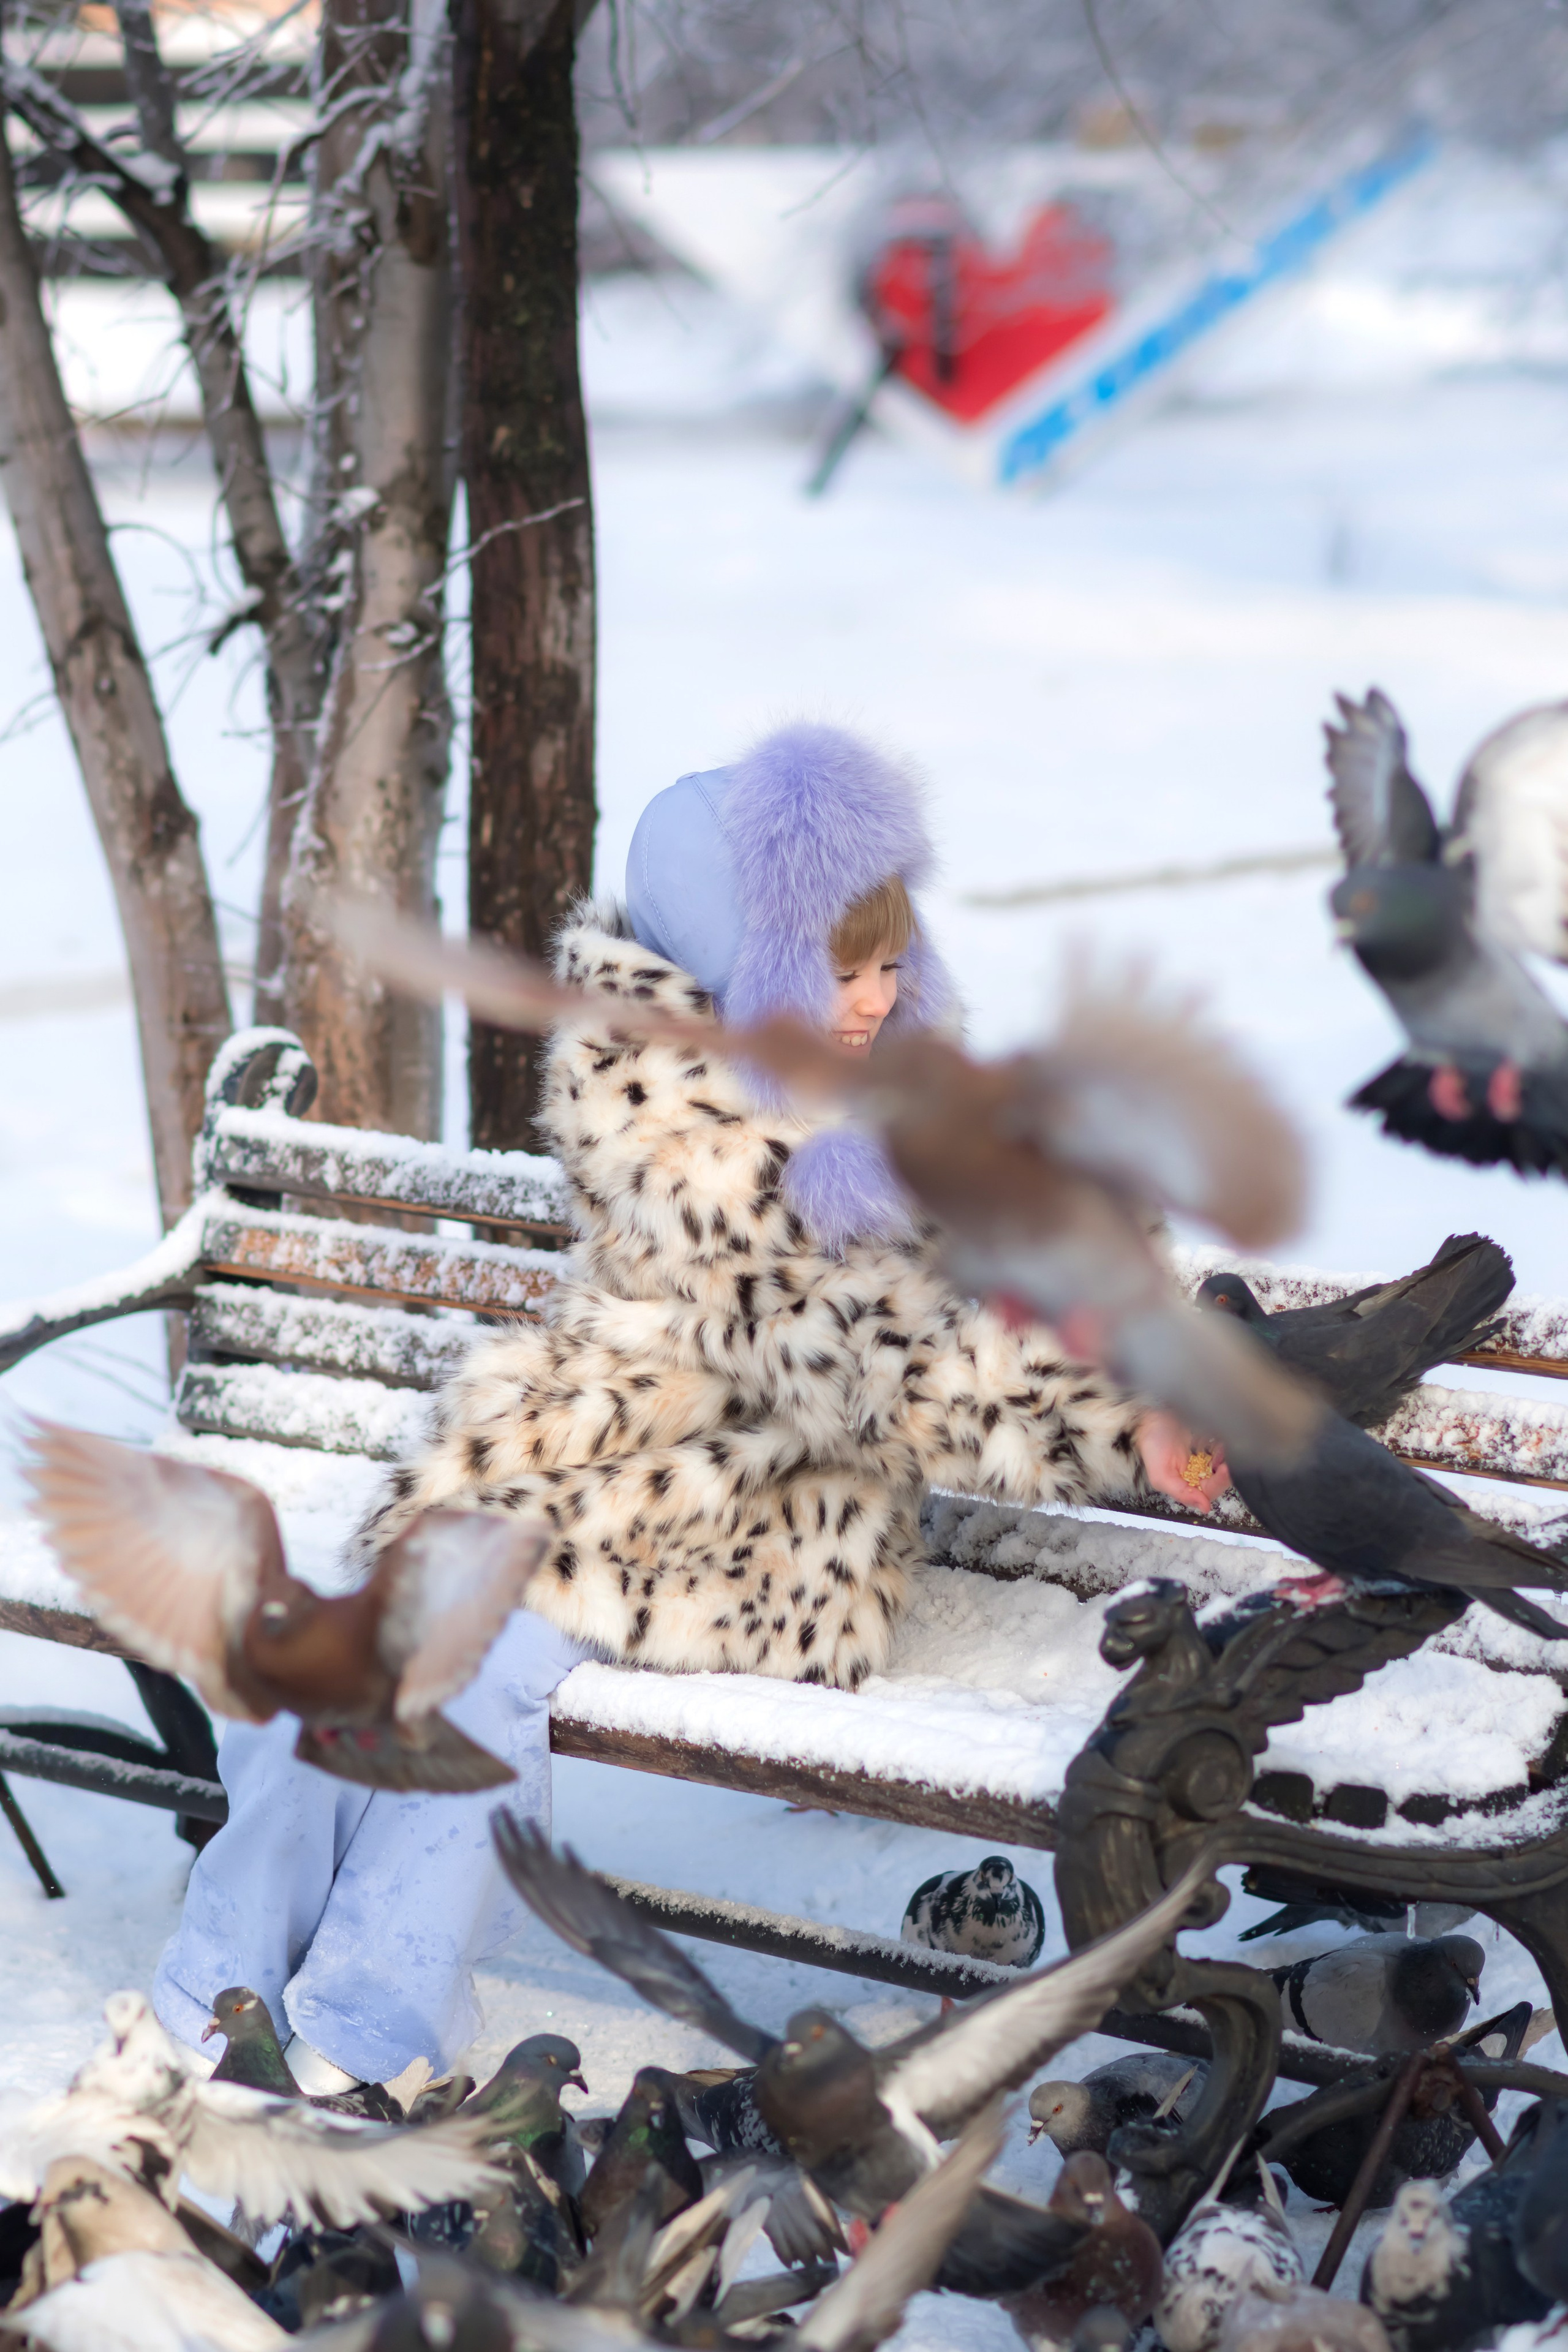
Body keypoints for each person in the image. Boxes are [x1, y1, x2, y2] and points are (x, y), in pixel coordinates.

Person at [153, 719, 1219, 2092]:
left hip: (769, 1526)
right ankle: (222, 2000)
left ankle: (366, 2037)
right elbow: (848, 1323)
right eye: (838, 970)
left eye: (892, 965)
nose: (873, 1001)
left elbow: (905, 1352)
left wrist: (1125, 1388)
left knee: (481, 1663)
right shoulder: (659, 1106)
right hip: (614, 1463)